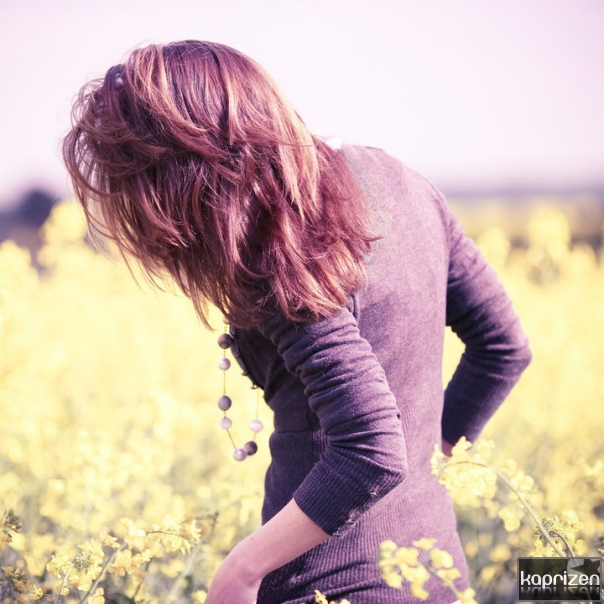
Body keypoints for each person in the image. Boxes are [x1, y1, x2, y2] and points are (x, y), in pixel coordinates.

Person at [62, 40, 532, 604]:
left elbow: (371, 450)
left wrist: (242, 570)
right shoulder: (398, 178)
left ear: (187, 166)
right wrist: (428, 463)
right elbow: (504, 347)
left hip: (330, 586)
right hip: (437, 574)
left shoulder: (275, 249)